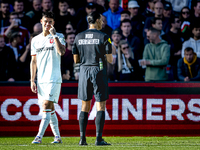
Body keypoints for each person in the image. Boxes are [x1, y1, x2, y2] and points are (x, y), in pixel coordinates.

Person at [72, 11, 113, 146]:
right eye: (101, 20)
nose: (102, 22)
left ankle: (82, 139)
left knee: (85, 105)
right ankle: (98, 139)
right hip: (98, 69)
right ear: (96, 20)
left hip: (84, 70)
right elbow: (110, 59)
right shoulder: (104, 36)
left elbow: (76, 59)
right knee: (100, 105)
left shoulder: (78, 37)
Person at [30, 11, 66, 144]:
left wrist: (54, 35)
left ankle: (38, 136)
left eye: (50, 21)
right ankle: (57, 137)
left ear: (53, 23)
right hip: (41, 79)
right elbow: (33, 61)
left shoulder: (59, 36)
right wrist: (32, 79)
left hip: (54, 78)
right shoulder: (35, 39)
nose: (47, 24)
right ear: (41, 22)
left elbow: (61, 52)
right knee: (49, 108)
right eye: (46, 21)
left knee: (46, 105)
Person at [162, 14, 183, 80]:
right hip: (170, 63)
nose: (180, 23)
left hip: (180, 64)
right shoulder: (165, 37)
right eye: (177, 21)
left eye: (180, 21)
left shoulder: (182, 35)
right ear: (172, 24)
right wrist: (175, 53)